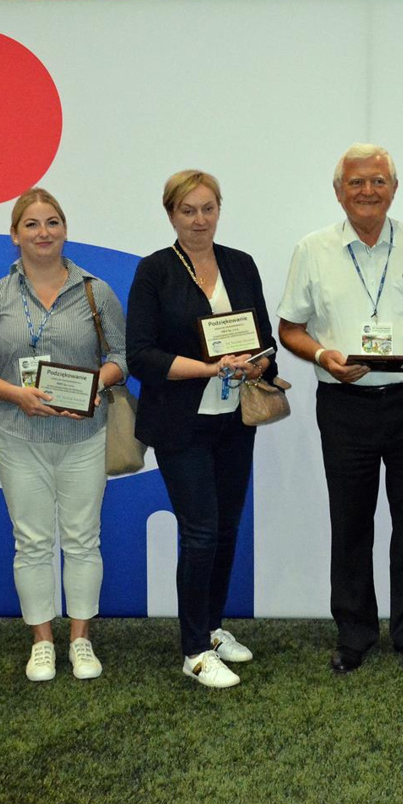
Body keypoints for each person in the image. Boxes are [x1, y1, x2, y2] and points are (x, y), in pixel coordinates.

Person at [278, 143, 403, 676]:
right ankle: (354, 634)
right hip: (345, 405)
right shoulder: (312, 250)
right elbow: (290, 328)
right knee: (350, 522)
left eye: (378, 181)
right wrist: (322, 356)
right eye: (356, 182)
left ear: (394, 189)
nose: (367, 191)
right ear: (339, 192)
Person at [0, 188, 126, 683]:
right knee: (31, 542)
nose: (43, 232)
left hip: (85, 436)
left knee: (83, 539)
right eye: (31, 224)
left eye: (52, 222)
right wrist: (16, 394)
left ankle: (80, 639)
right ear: (14, 235)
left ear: (65, 229)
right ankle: (41, 643)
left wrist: (96, 384)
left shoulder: (96, 291)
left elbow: (122, 357)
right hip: (19, 435)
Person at [126, 170, 276, 689]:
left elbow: (265, 339)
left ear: (219, 210)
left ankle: (212, 628)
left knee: (226, 528)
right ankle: (192, 651)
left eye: (208, 209)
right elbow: (141, 356)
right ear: (171, 214)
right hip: (180, 423)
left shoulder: (241, 264)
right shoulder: (155, 271)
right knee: (200, 532)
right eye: (188, 210)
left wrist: (258, 364)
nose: (199, 220)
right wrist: (210, 368)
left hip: (235, 419)